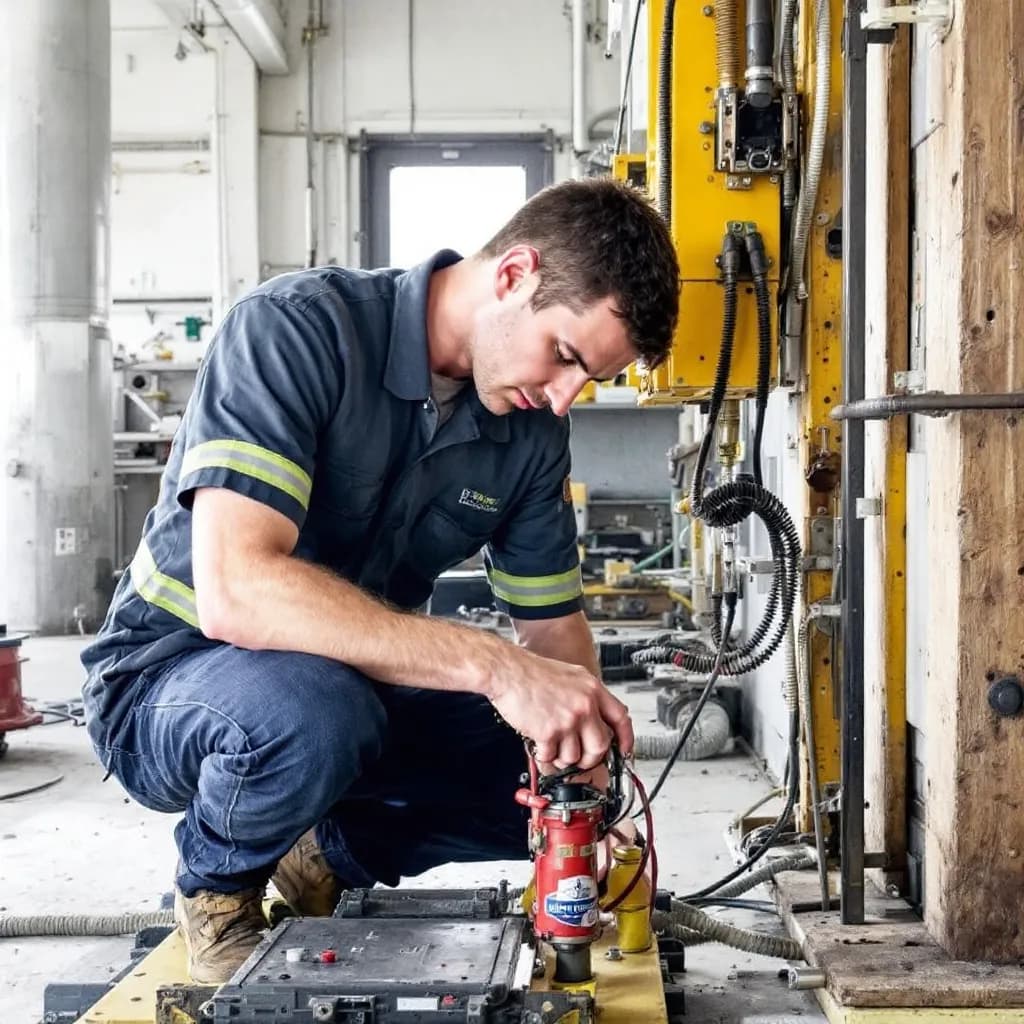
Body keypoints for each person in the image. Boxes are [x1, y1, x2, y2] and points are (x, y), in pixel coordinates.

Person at [81, 176, 680, 983]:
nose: (566, 396)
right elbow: (238, 588)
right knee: (314, 710)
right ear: (514, 275)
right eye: (566, 356)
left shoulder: (532, 432)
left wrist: (583, 760)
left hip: (355, 688)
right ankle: (218, 890)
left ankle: (319, 855)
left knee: (539, 775)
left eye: (589, 379)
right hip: (170, 680)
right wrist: (493, 667)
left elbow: (553, 630)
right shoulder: (295, 330)